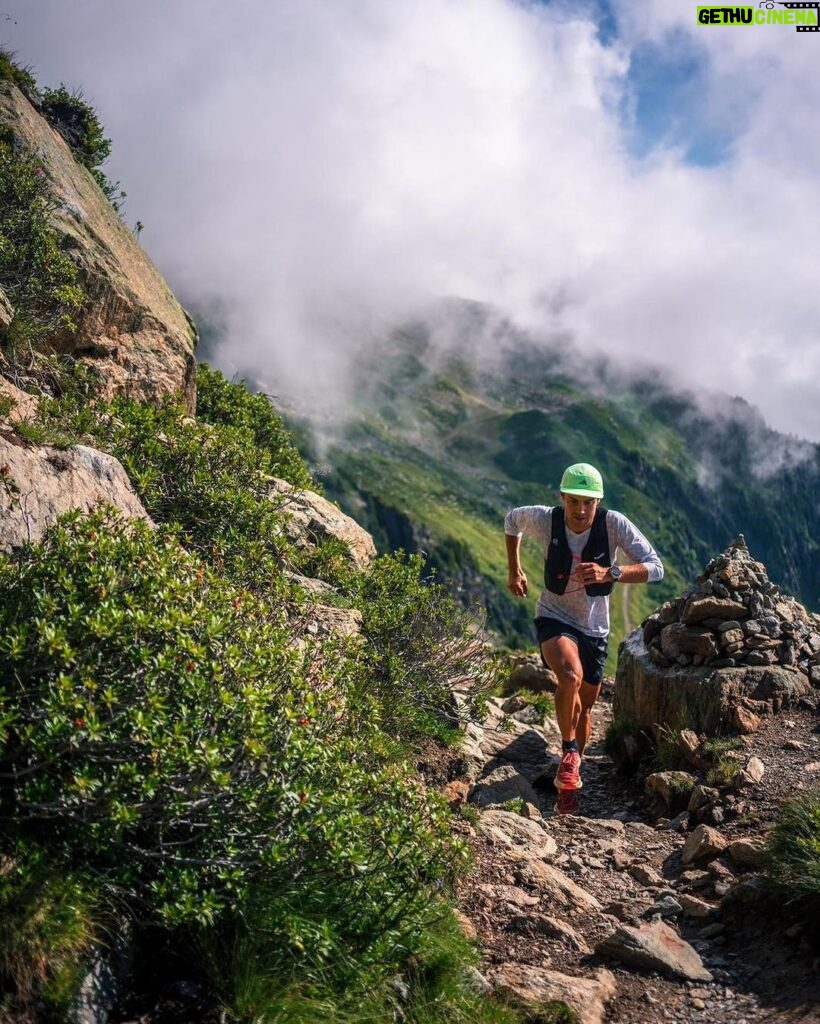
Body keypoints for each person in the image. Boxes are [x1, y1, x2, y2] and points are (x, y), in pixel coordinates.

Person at [504, 462, 664, 792]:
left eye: (588, 502)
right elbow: (511, 521)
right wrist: (514, 570)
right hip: (554, 615)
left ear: (598, 501)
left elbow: (656, 568)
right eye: (573, 501)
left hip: (595, 628)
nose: (580, 510)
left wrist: (612, 573)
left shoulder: (614, 524)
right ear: (562, 497)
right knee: (570, 675)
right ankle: (568, 752)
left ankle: (572, 775)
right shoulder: (545, 519)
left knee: (585, 708)